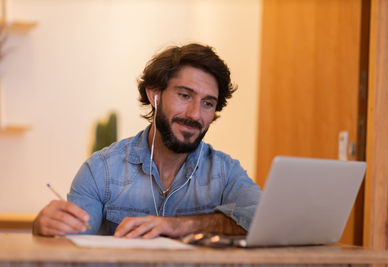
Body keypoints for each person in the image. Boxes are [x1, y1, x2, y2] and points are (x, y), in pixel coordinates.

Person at [33, 43, 261, 238]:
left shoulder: (226, 172)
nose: (195, 114)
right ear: (155, 96)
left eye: (208, 103)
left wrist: (182, 225)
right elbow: (71, 245)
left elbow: (263, 219)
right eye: (185, 96)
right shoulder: (101, 170)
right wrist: (45, 228)